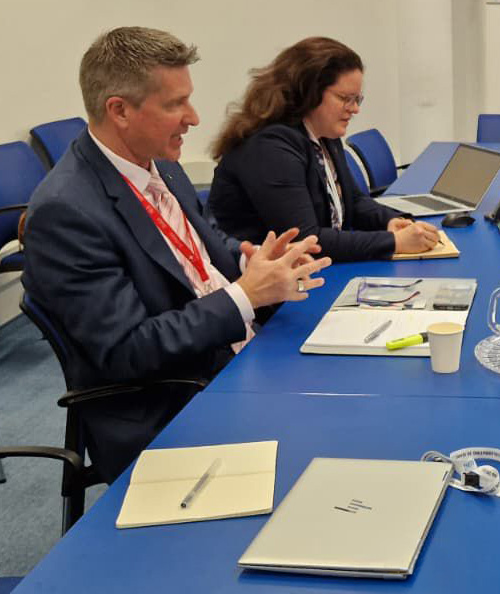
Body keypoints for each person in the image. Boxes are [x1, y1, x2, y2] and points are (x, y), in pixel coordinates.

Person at [21, 27, 331, 482]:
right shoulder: (66, 211)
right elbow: (128, 350)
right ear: (119, 110)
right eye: (174, 104)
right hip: (177, 398)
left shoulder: (160, 163)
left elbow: (205, 243)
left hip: (234, 355)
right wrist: (246, 296)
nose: (194, 118)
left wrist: (253, 262)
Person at [207, 37, 439, 262]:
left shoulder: (324, 133)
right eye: (345, 98)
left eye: (358, 99)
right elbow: (308, 241)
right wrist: (393, 242)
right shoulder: (270, 148)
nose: (355, 109)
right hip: (269, 291)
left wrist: (391, 221)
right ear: (308, 92)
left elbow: (354, 201)